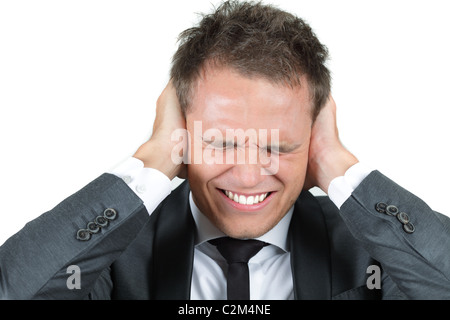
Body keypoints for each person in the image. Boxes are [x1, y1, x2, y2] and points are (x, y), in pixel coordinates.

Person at [0, 0, 449, 300]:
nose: (249, 176)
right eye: (221, 142)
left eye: (278, 146)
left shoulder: (375, 249)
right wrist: (154, 157)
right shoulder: (114, 255)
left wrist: (336, 164)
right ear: (182, 133)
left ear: (313, 138)